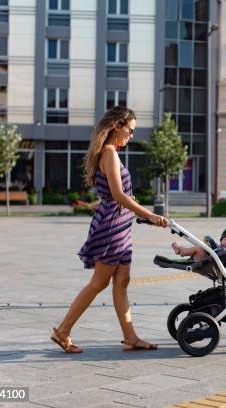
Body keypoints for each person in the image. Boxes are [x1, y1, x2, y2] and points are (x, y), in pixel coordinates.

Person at [51, 106, 168, 353]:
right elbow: (118, 195)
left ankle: (130, 337)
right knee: (98, 283)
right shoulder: (109, 153)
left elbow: (110, 194)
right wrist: (149, 215)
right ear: (117, 126)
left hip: (120, 225)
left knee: (122, 281)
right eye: (130, 130)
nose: (132, 135)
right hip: (113, 227)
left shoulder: (110, 153)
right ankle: (62, 331)